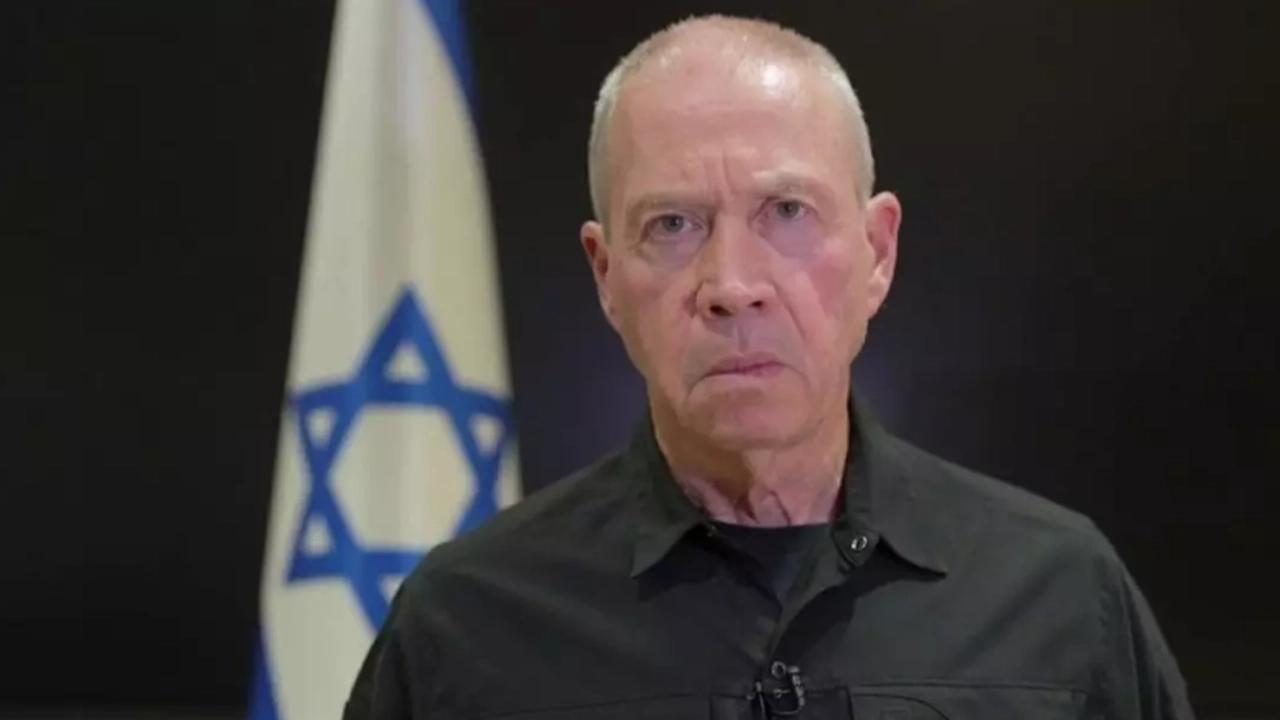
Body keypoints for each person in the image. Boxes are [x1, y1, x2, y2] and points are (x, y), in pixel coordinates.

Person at [345, 15, 1194, 719]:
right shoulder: (463, 627)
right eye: (672, 225)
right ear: (606, 275)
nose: (732, 285)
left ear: (878, 251)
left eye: (787, 211)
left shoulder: (1062, 597)